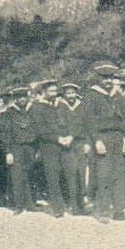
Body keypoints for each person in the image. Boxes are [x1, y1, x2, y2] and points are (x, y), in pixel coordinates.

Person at [83, 62, 125, 223]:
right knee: (103, 175)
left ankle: (119, 211)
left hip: (119, 138)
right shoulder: (92, 96)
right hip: (102, 138)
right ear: (98, 78)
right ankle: (103, 211)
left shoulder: (119, 97)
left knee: (120, 175)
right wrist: (97, 141)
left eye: (110, 78)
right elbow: (89, 122)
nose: (108, 81)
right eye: (104, 78)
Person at [28, 79, 69, 217]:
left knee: (63, 174)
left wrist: (67, 137)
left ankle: (66, 203)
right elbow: (40, 130)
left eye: (55, 91)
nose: (54, 93)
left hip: (63, 144)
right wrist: (58, 139)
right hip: (48, 146)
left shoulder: (57, 105)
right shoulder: (36, 107)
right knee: (53, 177)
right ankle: (58, 209)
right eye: (51, 91)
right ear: (44, 92)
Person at [0, 87, 37, 214]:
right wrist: (8, 152)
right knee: (17, 177)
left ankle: (30, 204)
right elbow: (5, 133)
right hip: (16, 148)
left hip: (29, 147)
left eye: (24, 96)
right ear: (15, 99)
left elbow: (35, 129)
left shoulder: (30, 111)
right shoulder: (10, 112)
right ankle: (18, 205)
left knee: (29, 175)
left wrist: (36, 148)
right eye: (20, 97)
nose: (22, 99)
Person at [55, 82, 90, 215]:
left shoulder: (82, 106)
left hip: (80, 143)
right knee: (70, 174)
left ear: (76, 93)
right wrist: (65, 138)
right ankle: (73, 205)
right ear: (64, 94)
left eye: (73, 93)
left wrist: (87, 143)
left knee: (81, 173)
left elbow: (86, 125)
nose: (71, 96)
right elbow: (60, 125)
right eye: (68, 93)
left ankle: (82, 204)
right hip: (67, 145)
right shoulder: (60, 106)